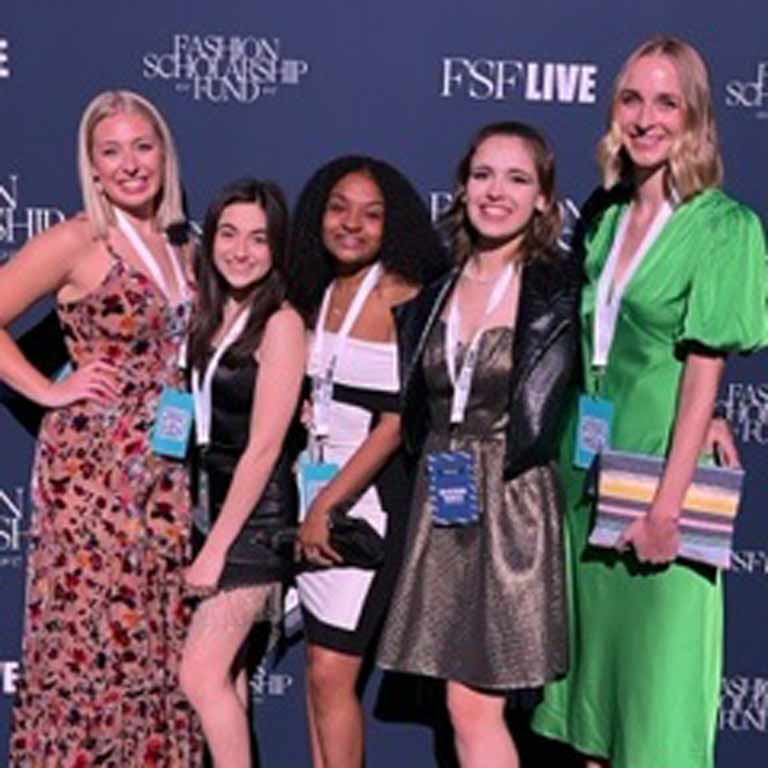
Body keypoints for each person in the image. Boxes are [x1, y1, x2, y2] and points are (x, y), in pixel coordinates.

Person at [531, 36, 768, 768]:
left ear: (695, 116)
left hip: (660, 490)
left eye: (666, 101)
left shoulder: (725, 228)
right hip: (588, 484)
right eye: (631, 98)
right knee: (596, 726)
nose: (645, 117)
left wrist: (667, 508)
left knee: (657, 725)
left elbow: (703, 375)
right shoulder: (604, 217)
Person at [2, 90, 203, 764]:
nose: (131, 164)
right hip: (93, 477)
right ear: (91, 163)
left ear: (164, 151)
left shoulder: (183, 240)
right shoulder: (77, 239)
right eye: (111, 151)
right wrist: (48, 389)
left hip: (169, 474)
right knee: (92, 639)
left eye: (142, 146)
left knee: (154, 639)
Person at [377, 121, 579, 768]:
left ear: (545, 199)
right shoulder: (434, 292)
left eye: (518, 178)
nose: (497, 192)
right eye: (483, 175)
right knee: (462, 704)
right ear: (462, 187)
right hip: (444, 497)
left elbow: (622, 365)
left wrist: (713, 413)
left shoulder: (560, 292)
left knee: (475, 704)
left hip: (513, 502)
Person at [289, 155, 447, 768]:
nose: (351, 223)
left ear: (393, 224)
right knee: (317, 671)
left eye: (371, 214)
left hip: (369, 508)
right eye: (338, 207)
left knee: (332, 670)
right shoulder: (317, 290)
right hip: (314, 499)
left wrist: (326, 507)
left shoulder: (397, 294)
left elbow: (393, 424)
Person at [177, 178, 305, 767]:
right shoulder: (213, 314)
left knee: (200, 677)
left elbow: (264, 449)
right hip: (211, 510)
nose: (240, 250)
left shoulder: (281, 323)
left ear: (278, 249)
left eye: (258, 238)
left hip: (254, 525)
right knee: (227, 681)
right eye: (228, 234)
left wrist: (216, 550)